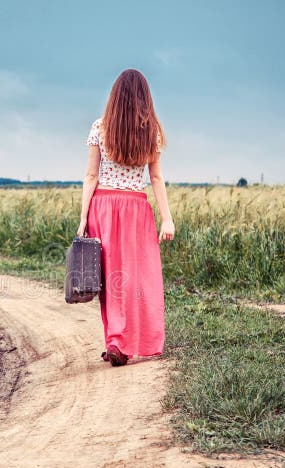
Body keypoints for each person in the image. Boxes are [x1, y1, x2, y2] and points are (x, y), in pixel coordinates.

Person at [76, 68, 175, 367]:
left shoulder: (100, 127)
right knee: (137, 277)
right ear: (145, 97)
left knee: (109, 277)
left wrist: (83, 218)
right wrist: (167, 219)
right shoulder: (152, 131)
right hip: (136, 209)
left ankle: (116, 341)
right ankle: (131, 341)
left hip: (103, 206)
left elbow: (91, 174)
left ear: (115, 96)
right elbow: (156, 178)